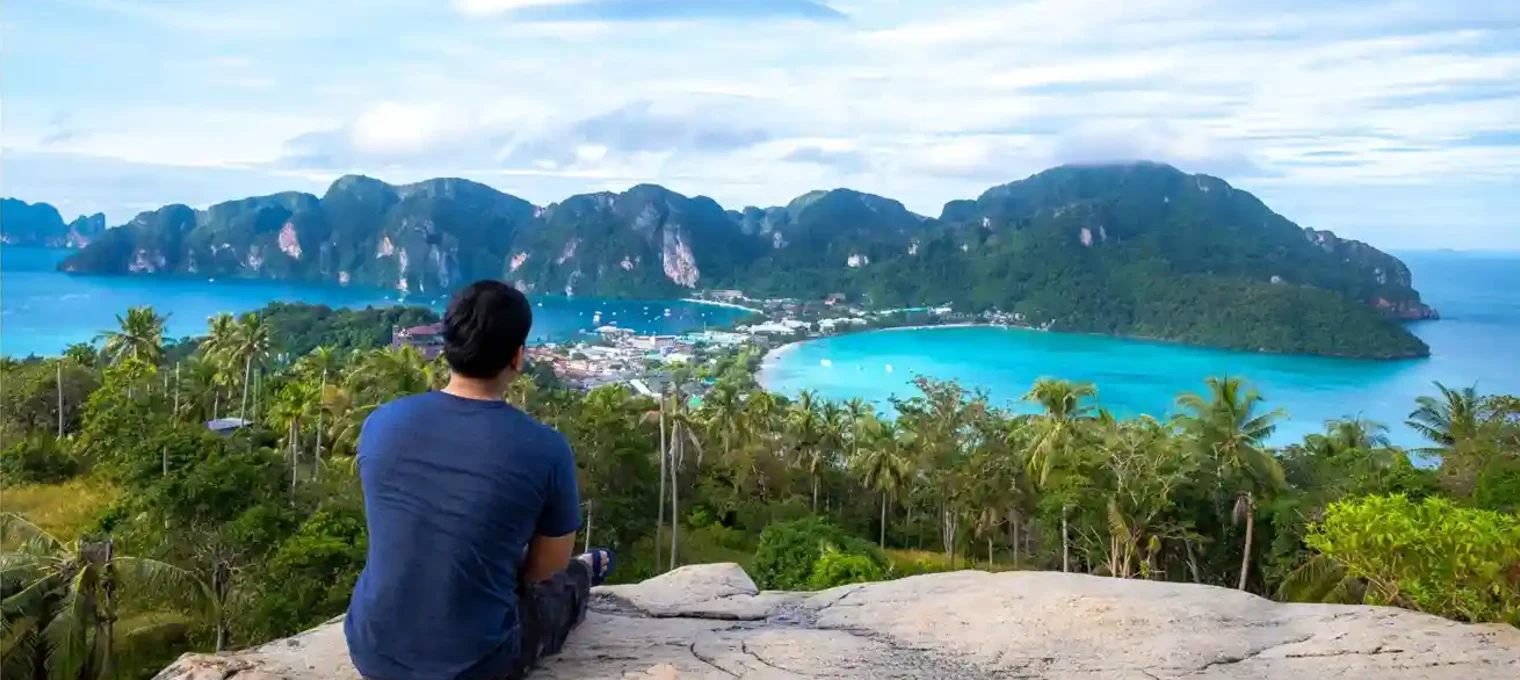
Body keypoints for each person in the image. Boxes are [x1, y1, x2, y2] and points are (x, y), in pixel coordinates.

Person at [346, 280, 613, 680]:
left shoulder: (380, 422)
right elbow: (542, 573)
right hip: (477, 666)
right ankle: (589, 570)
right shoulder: (546, 448)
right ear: (518, 357)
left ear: (448, 346)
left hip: (372, 650)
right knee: (563, 584)